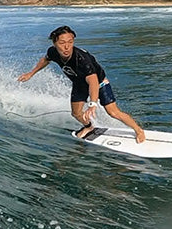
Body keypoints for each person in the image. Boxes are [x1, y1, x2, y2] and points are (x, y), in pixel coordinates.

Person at [18, 25, 146, 143]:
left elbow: (93, 82)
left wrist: (92, 104)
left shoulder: (82, 59)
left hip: (100, 83)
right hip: (79, 84)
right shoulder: (53, 52)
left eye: (70, 42)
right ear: (54, 43)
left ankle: (138, 130)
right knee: (76, 113)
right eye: (62, 43)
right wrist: (31, 73)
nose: (67, 47)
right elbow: (45, 59)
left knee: (113, 112)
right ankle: (89, 126)